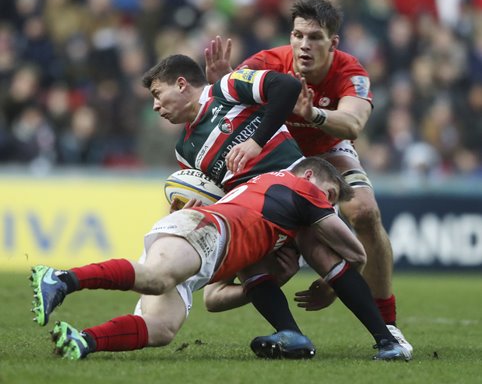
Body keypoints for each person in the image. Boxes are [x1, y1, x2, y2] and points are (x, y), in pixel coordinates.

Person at [138, 54, 411, 360]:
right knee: (249, 264)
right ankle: (292, 335)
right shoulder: (185, 150)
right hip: (257, 211)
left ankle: (387, 341)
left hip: (293, 188)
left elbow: (287, 86)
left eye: (157, 95)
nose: (156, 106)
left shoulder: (226, 87)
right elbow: (215, 193)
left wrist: (256, 141)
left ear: (181, 84)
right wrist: (190, 209)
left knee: (317, 247)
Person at [30, 157, 410, 361]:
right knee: (157, 277)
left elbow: (213, 300)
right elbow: (356, 252)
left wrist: (266, 283)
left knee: (161, 329)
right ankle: (61, 279)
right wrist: (329, 286)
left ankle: (82, 341)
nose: (326, 206)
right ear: (310, 175)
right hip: (207, 230)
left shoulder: (268, 210)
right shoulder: (299, 186)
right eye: (328, 195)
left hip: (204, 249)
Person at [203, 0, 413, 355]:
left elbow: (354, 124)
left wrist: (314, 113)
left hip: (328, 150)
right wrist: (221, 83)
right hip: (275, 157)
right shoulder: (268, 62)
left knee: (364, 211)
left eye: (314, 37)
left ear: (333, 43)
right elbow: (231, 102)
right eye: (298, 35)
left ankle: (387, 323)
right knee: (237, 244)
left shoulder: (350, 70)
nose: (303, 44)